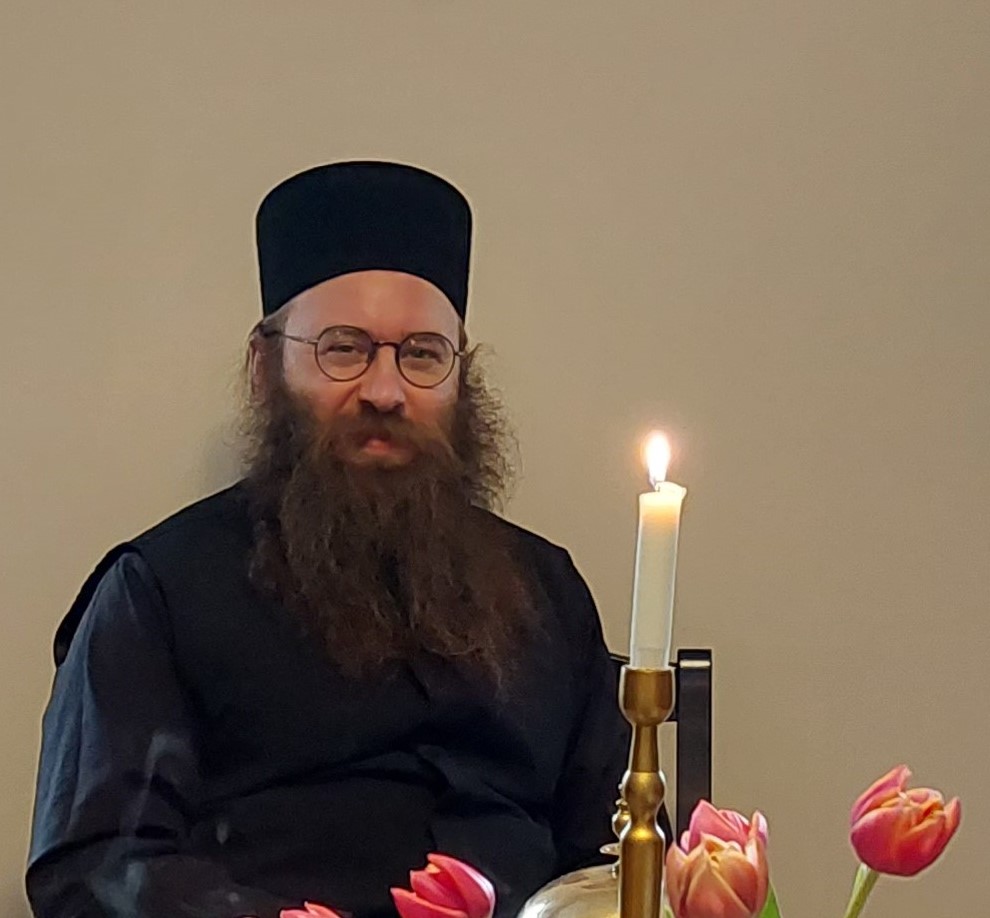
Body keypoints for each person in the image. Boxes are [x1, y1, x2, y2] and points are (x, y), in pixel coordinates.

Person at [27, 162, 643, 918]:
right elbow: (94, 866)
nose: (385, 391)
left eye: (422, 354)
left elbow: (615, 859)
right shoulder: (157, 593)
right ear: (266, 367)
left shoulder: (545, 593)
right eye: (344, 348)